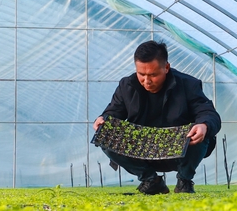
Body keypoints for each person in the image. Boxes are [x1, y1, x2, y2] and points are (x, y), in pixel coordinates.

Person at [94, 41, 221, 194]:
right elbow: (113, 112)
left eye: (153, 75)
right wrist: (103, 119)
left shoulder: (188, 84)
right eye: (141, 74)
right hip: (141, 149)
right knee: (105, 135)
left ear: (166, 67)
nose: (146, 81)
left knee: (203, 129)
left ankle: (184, 181)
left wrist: (204, 125)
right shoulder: (127, 86)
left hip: (179, 148)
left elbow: (208, 113)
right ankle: (150, 180)